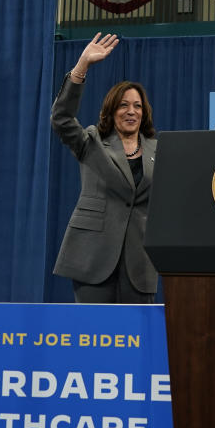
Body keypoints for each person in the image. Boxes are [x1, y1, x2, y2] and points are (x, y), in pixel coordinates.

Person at [51, 32, 158, 303]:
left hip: (140, 263)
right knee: (92, 336)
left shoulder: (160, 150)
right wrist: (81, 67)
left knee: (136, 340)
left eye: (137, 106)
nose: (131, 111)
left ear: (144, 112)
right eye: (123, 105)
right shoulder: (92, 141)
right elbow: (61, 118)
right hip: (93, 256)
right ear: (111, 111)